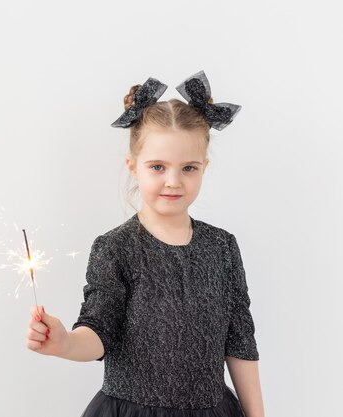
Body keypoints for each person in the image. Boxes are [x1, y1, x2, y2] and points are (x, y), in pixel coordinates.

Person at [25, 71, 265, 417]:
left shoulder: (222, 248)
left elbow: (240, 342)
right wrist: (64, 343)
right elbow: (98, 330)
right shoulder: (115, 248)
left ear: (204, 167)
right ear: (133, 167)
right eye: (157, 167)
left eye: (188, 168)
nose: (173, 181)